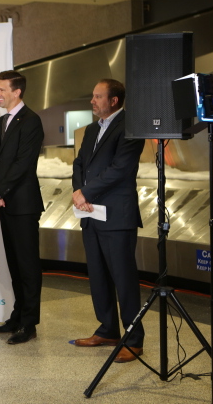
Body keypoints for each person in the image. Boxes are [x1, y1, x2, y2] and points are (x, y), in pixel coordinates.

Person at [71, 78, 146, 363]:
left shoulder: (129, 127)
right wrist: (79, 192)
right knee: (99, 277)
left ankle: (134, 339)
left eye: (98, 96)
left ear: (114, 100)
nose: (92, 101)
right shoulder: (91, 129)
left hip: (116, 216)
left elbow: (121, 169)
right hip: (90, 215)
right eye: (93, 96)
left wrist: (86, 192)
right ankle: (108, 329)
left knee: (124, 280)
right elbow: (79, 163)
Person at [0, 70, 45, 345]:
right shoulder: (2, 121)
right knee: (14, 264)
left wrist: (0, 190)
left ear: (16, 91)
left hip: (23, 205)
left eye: (1, 89)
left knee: (28, 266)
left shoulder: (31, 121)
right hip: (5, 204)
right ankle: (18, 316)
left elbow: (24, 164)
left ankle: (29, 323)